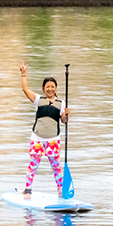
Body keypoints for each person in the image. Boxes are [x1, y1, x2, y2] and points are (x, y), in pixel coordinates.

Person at [19, 61, 71, 199]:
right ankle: (28, 189)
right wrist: (23, 74)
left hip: (53, 140)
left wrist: (66, 115)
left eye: (52, 87)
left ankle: (60, 191)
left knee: (56, 167)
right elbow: (25, 89)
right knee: (33, 165)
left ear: (56, 88)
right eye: (47, 87)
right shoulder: (37, 99)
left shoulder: (61, 103)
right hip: (37, 139)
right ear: (43, 88)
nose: (50, 89)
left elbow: (64, 122)